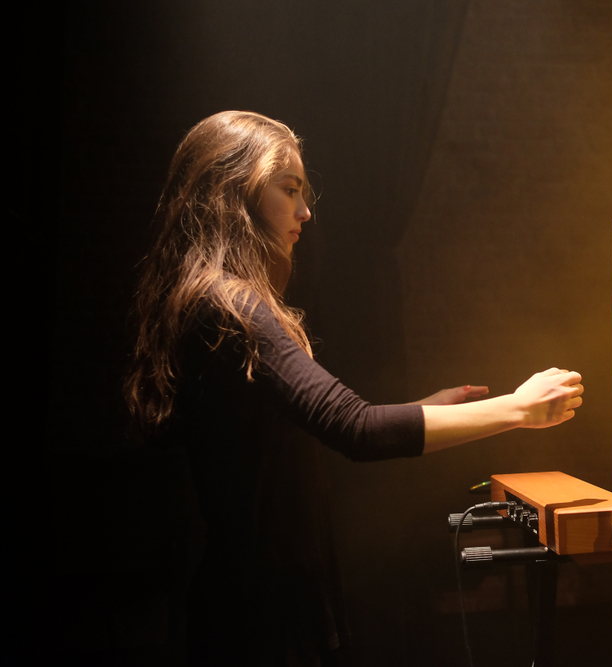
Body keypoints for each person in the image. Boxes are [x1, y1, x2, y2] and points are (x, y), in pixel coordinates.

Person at [124, 110, 583, 666]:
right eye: (289, 190)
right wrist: (518, 409)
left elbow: (291, 433)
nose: (305, 211)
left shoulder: (209, 297)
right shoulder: (232, 305)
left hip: (254, 602)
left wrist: (420, 409)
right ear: (234, 195)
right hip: (260, 617)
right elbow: (355, 429)